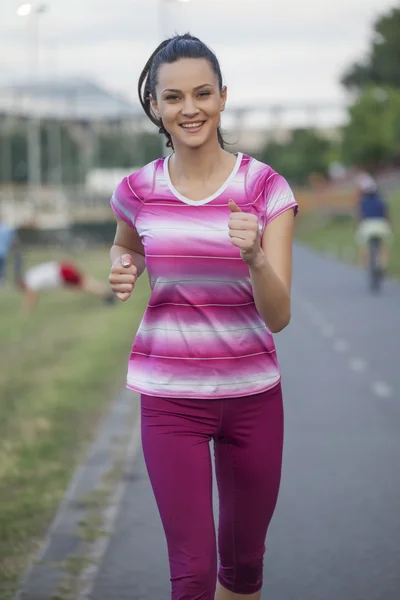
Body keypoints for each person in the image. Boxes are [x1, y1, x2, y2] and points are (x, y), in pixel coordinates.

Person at [109, 34, 298, 600]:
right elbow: (128, 246)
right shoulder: (138, 190)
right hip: (170, 401)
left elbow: (280, 315)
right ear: (157, 108)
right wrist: (123, 268)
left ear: (222, 98)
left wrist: (256, 256)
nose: (189, 109)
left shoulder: (264, 188)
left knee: (242, 570)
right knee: (192, 575)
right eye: (173, 98)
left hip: (252, 399)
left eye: (202, 94)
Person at [17, 259, 115, 313]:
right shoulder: (30, 275)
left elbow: (32, 297)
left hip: (62, 273)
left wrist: (26, 310)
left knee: (85, 284)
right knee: (85, 284)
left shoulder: (31, 281)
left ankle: (107, 294)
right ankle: (106, 294)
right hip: (62, 270)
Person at [355, 170, 392, 271]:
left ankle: (365, 264)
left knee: (364, 245)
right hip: (381, 225)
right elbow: (386, 214)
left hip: (367, 225)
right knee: (383, 246)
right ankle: (383, 265)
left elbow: (360, 216)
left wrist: (359, 225)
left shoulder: (362, 202)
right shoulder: (381, 201)